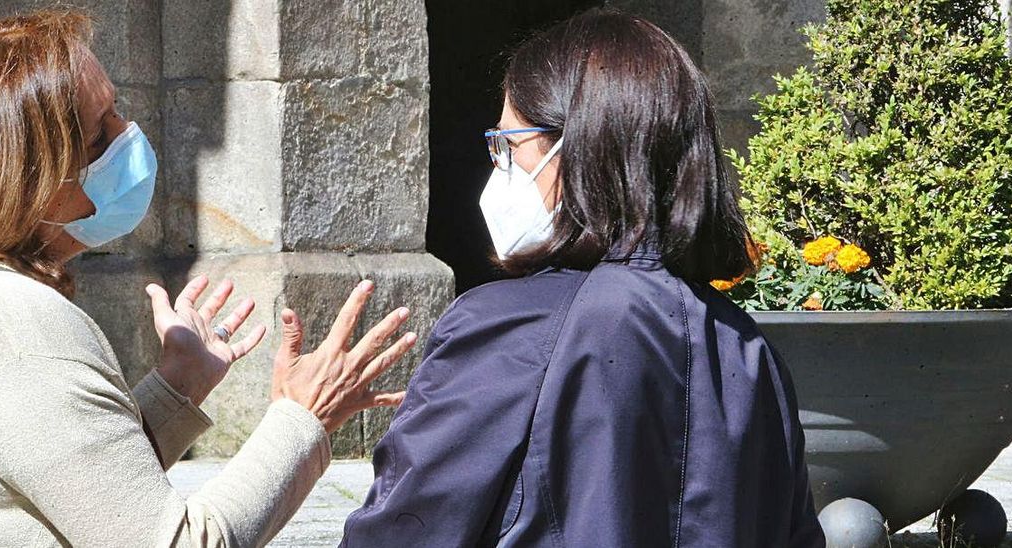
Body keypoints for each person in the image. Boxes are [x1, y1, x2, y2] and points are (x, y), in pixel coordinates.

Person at [0, 10, 416, 546]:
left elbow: (71, 490)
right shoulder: (16, 327)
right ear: (24, 178)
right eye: (100, 135)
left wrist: (178, 385)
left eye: (117, 111)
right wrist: (303, 417)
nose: (129, 137)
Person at [341, 9, 825, 547]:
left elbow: (405, 530)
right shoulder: (750, 351)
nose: (498, 166)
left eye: (509, 145)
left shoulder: (507, 327)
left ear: (577, 149)